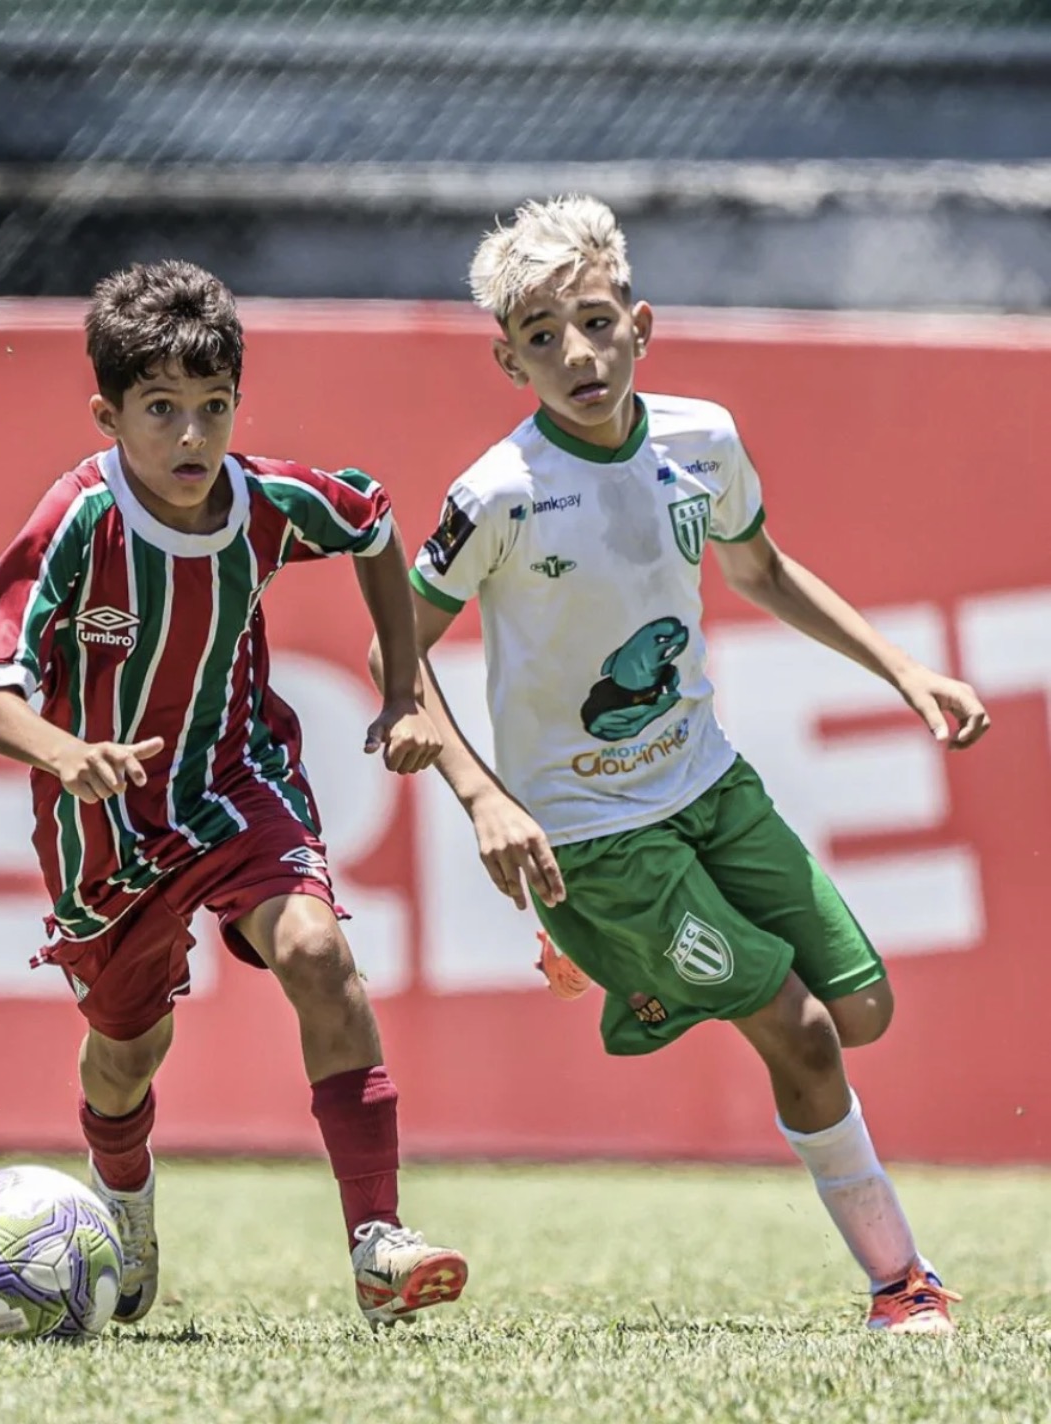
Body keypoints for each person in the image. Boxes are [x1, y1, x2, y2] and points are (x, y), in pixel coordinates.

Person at [375, 196, 989, 1334]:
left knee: (862, 1008)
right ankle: (902, 1285)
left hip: (710, 783)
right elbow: (392, 649)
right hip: (593, 833)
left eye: (595, 322)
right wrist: (484, 796)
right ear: (508, 359)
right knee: (803, 1036)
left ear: (641, 325)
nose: (577, 353)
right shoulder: (496, 494)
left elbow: (761, 570)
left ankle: (618, 965)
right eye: (543, 336)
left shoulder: (703, 439)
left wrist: (906, 671)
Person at [0, 259, 467, 1330]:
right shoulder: (74, 519)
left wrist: (405, 691)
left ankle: (378, 1241)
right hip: (104, 827)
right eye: (160, 409)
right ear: (108, 415)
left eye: (214, 406)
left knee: (318, 952)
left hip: (237, 783)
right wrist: (67, 753)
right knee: (126, 1053)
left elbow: (372, 523)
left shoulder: (265, 501)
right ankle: (124, 1201)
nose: (192, 436)